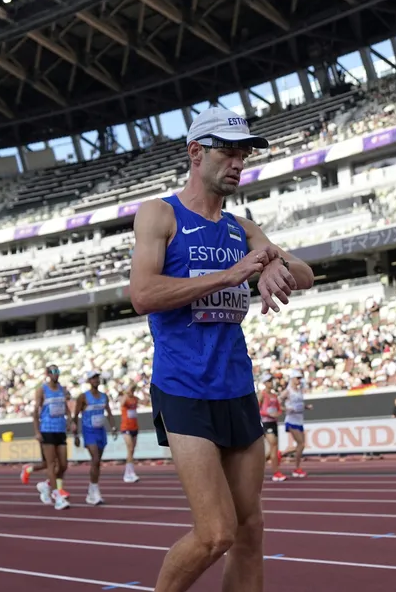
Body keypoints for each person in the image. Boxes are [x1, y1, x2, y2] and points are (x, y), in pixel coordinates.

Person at [129, 106, 313, 591]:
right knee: (215, 534)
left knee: (251, 530)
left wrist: (275, 260)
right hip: (184, 388)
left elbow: (306, 275)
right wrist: (232, 274)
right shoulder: (160, 214)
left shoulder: (243, 228)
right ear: (195, 152)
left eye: (244, 154)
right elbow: (143, 295)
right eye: (229, 152)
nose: (239, 162)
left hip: (236, 389)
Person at [29, 364, 72, 509]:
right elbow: (35, 411)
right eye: (53, 371)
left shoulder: (62, 389)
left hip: (60, 429)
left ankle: (47, 485)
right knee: (51, 464)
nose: (56, 374)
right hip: (47, 429)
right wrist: (37, 431)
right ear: (47, 374)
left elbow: (66, 408)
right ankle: (57, 495)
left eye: (57, 371)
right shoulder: (42, 389)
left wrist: (70, 421)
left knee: (63, 465)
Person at [73, 371, 116, 505]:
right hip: (89, 431)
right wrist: (76, 435)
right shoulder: (83, 397)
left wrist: (113, 427)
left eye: (97, 378)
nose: (96, 380)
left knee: (97, 463)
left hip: (100, 432)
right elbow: (75, 416)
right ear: (89, 381)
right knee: (95, 459)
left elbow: (109, 413)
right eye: (93, 378)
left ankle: (92, 490)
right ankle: (94, 491)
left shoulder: (104, 397)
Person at [281, 371, 308, 478]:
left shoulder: (300, 390)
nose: (299, 380)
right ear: (292, 379)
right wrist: (286, 409)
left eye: (300, 378)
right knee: (301, 444)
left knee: (301, 445)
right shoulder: (288, 391)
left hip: (299, 420)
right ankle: (296, 468)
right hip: (291, 420)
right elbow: (277, 402)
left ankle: (281, 454)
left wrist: (306, 407)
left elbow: (299, 405)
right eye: (297, 378)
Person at [258, 375, 285, 482]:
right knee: (273, 445)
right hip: (265, 423)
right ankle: (276, 472)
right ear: (264, 383)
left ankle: (259, 467)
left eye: (271, 380)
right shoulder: (262, 394)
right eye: (268, 381)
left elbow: (278, 409)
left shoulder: (274, 395)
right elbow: (256, 408)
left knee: (273, 448)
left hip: (274, 423)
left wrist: (278, 413)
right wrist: (268, 414)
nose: (271, 382)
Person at [120, 382, 141, 483]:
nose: (131, 391)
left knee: (132, 451)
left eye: (133, 390)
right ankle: (130, 473)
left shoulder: (135, 399)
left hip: (134, 427)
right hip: (126, 427)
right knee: (130, 448)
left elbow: (145, 401)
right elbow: (122, 403)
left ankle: (128, 473)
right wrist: (126, 393)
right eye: (130, 389)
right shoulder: (124, 398)